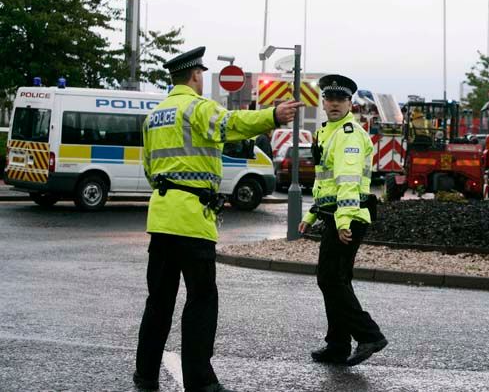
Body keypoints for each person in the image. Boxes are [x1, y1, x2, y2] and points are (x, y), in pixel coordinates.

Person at [133, 46, 302, 392]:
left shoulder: (155, 116)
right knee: (201, 299)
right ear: (195, 75)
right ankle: (200, 380)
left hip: (162, 217)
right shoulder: (197, 107)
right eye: (201, 75)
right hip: (193, 219)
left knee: (159, 301)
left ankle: (146, 374)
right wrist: (272, 116)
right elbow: (231, 124)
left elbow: (150, 169)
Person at [298, 74, 387, 367]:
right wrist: (311, 215)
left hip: (347, 218)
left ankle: (369, 335)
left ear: (350, 103)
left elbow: (347, 183)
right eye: (330, 98)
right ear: (323, 101)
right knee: (336, 280)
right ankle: (337, 345)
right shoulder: (328, 131)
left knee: (330, 279)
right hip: (336, 216)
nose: (334, 104)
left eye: (341, 99)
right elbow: (327, 183)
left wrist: (344, 221)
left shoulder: (348, 134)